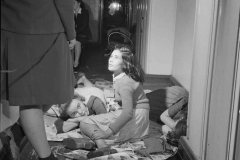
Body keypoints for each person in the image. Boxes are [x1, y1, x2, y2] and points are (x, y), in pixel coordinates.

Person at [0, 1, 76, 160]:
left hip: (16, 22)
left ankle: (16, 132)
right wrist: (71, 32)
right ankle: (46, 157)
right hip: (45, 26)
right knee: (32, 97)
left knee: (48, 91)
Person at [72, 44, 150, 150]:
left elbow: (127, 113)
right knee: (88, 128)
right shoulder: (120, 77)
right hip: (140, 114)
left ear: (125, 64)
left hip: (136, 115)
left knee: (85, 123)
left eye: (116, 57)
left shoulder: (125, 82)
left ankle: (102, 147)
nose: (111, 60)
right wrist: (100, 91)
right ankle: (96, 142)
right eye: (111, 56)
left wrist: (107, 133)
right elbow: (116, 95)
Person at [73, 0, 92, 68]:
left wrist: (74, 32)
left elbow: (84, 26)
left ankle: (76, 62)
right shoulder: (71, 12)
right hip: (74, 33)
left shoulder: (85, 12)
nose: (72, 4)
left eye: (74, 2)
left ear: (79, 3)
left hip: (83, 34)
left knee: (77, 42)